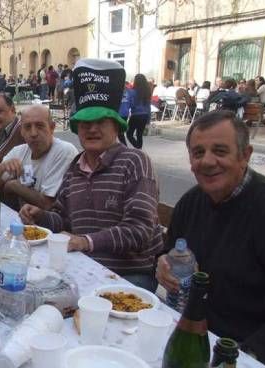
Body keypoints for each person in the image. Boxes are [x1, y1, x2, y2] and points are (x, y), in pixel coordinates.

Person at [22, 59, 163, 290]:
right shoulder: (76, 165)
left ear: (116, 126)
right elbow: (64, 219)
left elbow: (140, 230)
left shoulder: (134, 162)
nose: (92, 129)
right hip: (84, 266)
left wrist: (86, 242)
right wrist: (41, 216)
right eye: (85, 123)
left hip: (129, 275)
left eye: (101, 122)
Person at [155, 111, 265, 368]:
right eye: (198, 153)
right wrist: (163, 264)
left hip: (251, 353)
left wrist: (247, 355)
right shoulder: (191, 202)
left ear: (245, 155)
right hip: (191, 335)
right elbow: (166, 252)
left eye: (220, 151)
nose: (208, 161)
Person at [0, 104, 77, 211]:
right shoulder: (18, 151)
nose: (33, 133)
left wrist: (13, 185)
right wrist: (0, 169)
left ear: (52, 128)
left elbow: (47, 204)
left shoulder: (64, 151)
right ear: (22, 132)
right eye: (27, 127)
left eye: (39, 126)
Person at [126, 74, 152, 149]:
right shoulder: (147, 92)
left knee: (129, 134)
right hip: (145, 115)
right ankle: (139, 148)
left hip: (135, 115)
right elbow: (148, 106)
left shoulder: (132, 92)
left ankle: (137, 147)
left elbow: (131, 104)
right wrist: (148, 120)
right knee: (139, 134)